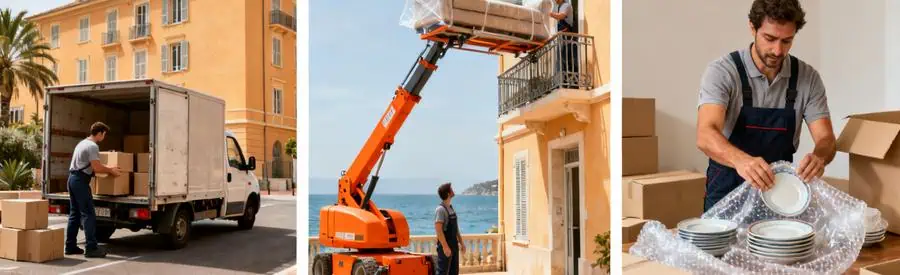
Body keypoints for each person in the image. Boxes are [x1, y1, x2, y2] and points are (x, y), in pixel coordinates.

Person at [696, 0, 836, 212]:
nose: (778, 51)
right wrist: (742, 161)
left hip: (780, 192)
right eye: (769, 38)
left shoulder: (808, 78)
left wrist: (819, 158)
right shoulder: (722, 71)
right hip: (727, 190)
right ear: (752, 27)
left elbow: (826, 139)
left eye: (787, 41)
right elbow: (705, 135)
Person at [66, 122, 120, 258]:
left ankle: (70, 246)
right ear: (100, 133)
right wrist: (111, 170)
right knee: (89, 214)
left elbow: (90, 167)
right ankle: (91, 248)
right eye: (104, 135)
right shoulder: (93, 146)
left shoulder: (82, 143)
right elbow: (96, 167)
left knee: (75, 214)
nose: (104, 138)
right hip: (80, 182)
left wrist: (104, 168)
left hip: (72, 179)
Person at [434, 183, 465, 275]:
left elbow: (456, 228)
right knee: (442, 272)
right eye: (451, 189)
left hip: (454, 245)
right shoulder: (440, 209)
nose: (453, 190)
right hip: (445, 246)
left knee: (454, 272)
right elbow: (438, 230)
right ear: (448, 193)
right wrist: (445, 247)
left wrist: (462, 243)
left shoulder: (451, 208)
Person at [549, 0, 579, 88]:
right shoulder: (559, 7)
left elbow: (561, 16)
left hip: (568, 38)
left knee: (570, 60)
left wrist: (549, 13)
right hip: (563, 39)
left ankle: (573, 83)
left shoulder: (566, 5)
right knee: (562, 60)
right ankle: (561, 82)